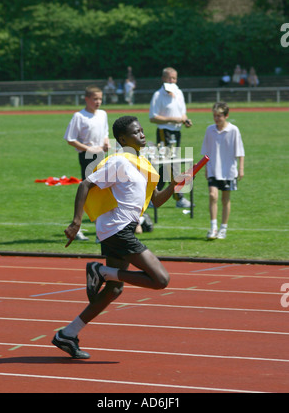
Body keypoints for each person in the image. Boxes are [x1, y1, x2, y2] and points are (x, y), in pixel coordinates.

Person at [52, 115, 192, 359]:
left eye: (141, 131)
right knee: (160, 279)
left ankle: (67, 334)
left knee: (114, 290)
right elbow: (84, 185)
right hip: (117, 228)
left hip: (119, 229)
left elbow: (156, 200)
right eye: (136, 132)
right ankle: (100, 271)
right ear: (122, 139)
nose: (142, 134)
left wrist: (175, 185)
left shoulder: (142, 162)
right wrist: (76, 222)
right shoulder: (119, 162)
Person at [64, 86, 110, 241]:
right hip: (87, 157)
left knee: (101, 192)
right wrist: (89, 148)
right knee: (88, 193)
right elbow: (71, 139)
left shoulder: (103, 114)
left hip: (101, 156)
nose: (98, 102)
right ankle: (79, 228)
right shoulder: (79, 116)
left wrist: (105, 143)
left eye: (100, 99)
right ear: (87, 99)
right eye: (95, 99)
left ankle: (101, 229)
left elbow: (105, 133)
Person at [149, 66, 193, 208]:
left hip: (176, 132)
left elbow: (183, 113)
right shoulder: (158, 95)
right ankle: (178, 197)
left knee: (168, 165)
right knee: (171, 165)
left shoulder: (179, 92)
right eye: (169, 78)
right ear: (163, 79)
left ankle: (152, 196)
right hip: (164, 132)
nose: (172, 80)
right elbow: (153, 117)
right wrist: (172, 120)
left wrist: (185, 120)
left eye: (174, 78)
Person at [201, 102, 245, 240]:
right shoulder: (209, 130)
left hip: (228, 171)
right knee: (213, 196)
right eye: (214, 116)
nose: (216, 118)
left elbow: (240, 152)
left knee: (225, 199)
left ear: (226, 116)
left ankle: (223, 228)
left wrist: (241, 169)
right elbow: (206, 152)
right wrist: (205, 168)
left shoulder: (234, 130)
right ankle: (213, 227)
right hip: (213, 168)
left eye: (219, 116)